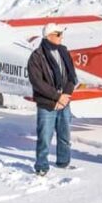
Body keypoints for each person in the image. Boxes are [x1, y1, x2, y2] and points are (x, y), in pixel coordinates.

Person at [27, 22, 78, 176]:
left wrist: (66, 96)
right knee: (44, 136)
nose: (61, 37)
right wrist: (57, 97)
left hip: (64, 101)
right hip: (47, 103)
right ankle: (42, 166)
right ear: (48, 36)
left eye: (62, 34)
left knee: (64, 135)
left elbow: (72, 76)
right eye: (58, 34)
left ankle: (63, 161)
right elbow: (37, 82)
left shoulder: (64, 52)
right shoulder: (36, 57)